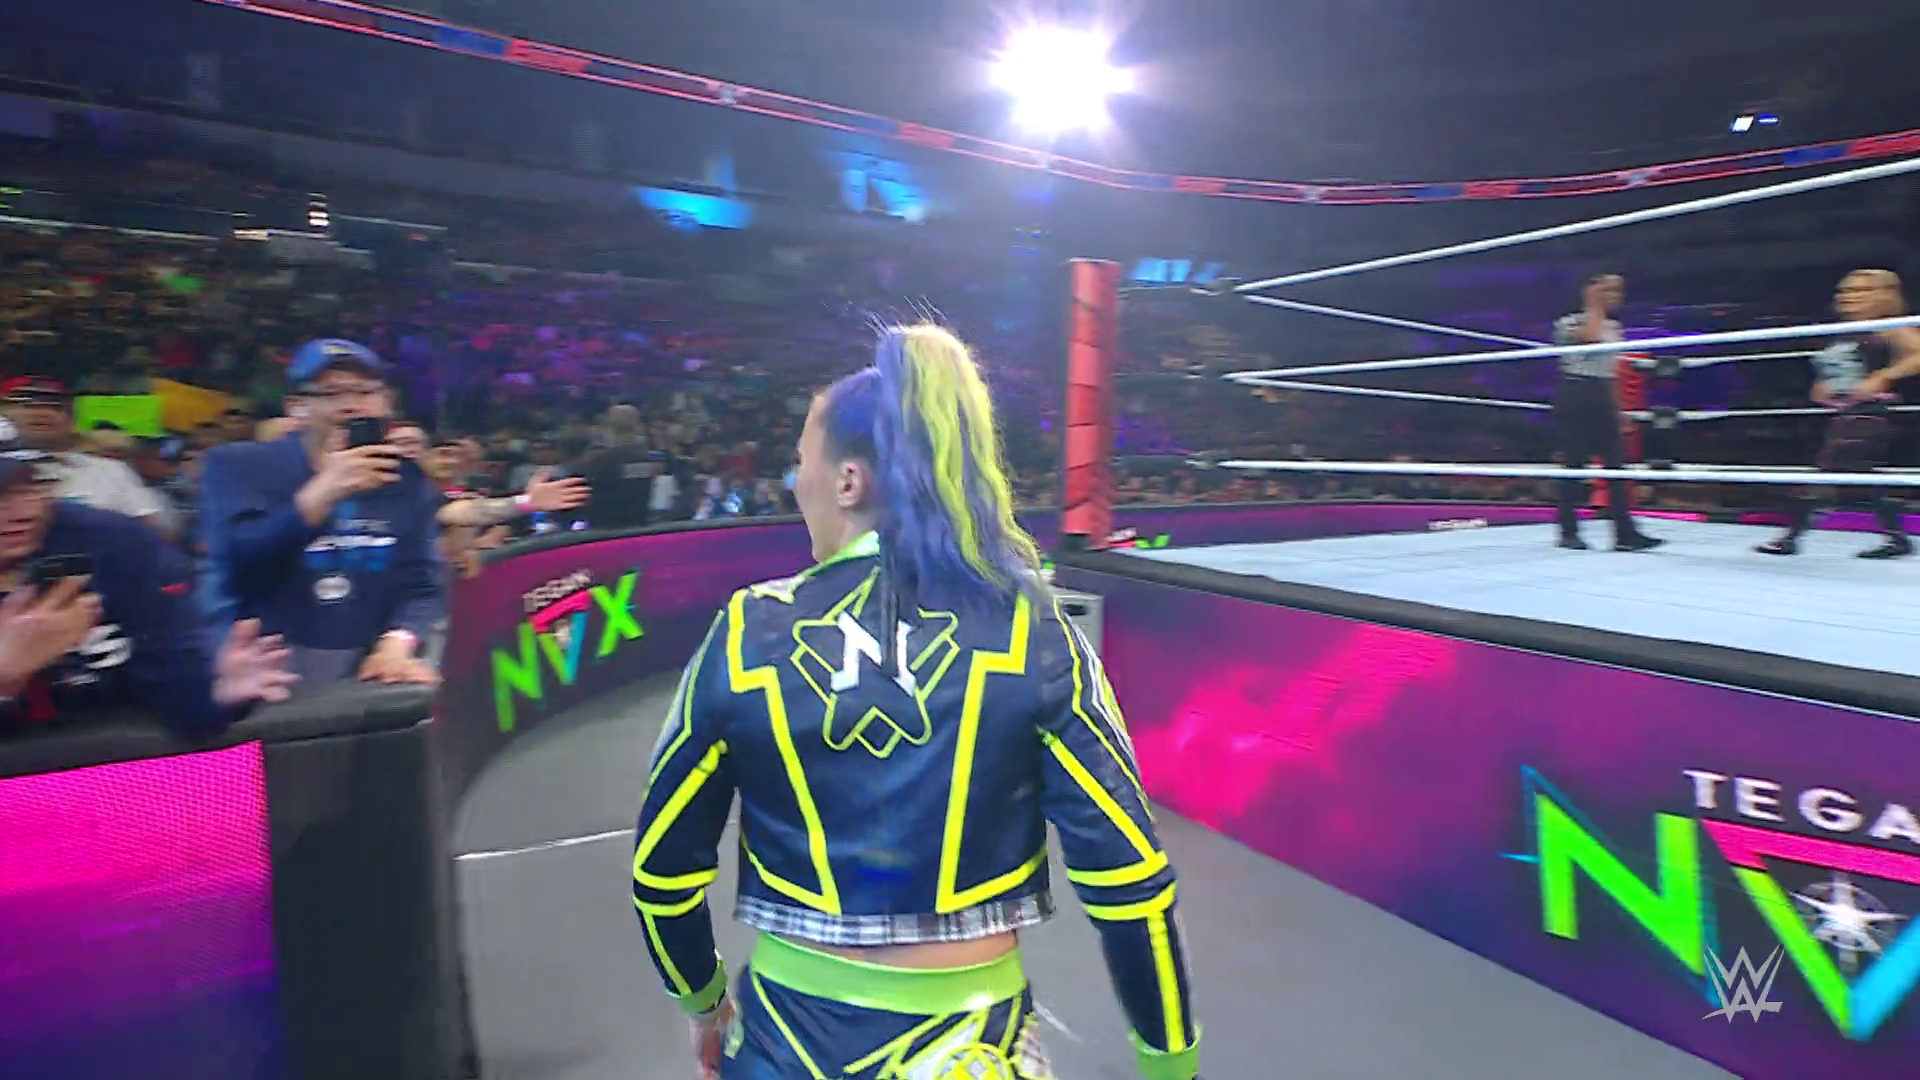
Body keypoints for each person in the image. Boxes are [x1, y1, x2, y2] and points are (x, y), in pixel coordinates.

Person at [631, 325, 1200, 1080]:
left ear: (848, 482)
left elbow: (662, 875)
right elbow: (1128, 883)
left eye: (800, 461)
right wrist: (1169, 1063)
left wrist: (703, 1003)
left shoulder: (746, 631)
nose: (793, 483)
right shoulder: (1030, 627)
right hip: (970, 1048)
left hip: (783, 1047)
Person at [0, 417, 296, 735]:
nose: (23, 512)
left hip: (106, 755)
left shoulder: (111, 542)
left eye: (29, 487)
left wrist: (215, 691)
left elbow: (176, 684)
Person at [198, 339, 443, 687]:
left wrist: (397, 644)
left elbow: (423, 584)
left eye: (365, 392)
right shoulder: (240, 465)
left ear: (386, 403)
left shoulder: (405, 478)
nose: (351, 405)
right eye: (331, 393)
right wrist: (323, 492)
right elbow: (236, 563)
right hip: (263, 668)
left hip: (365, 670)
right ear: (296, 407)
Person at [1756, 269, 1919, 559]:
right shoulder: (1846, 332)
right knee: (1863, 478)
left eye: (1861, 290)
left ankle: (1790, 537)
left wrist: (1883, 376)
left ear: (1884, 295)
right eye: (1845, 290)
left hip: (1872, 414)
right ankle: (1897, 538)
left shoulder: (1890, 327)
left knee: (1827, 472)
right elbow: (1842, 369)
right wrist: (1824, 385)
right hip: (1846, 413)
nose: (1849, 296)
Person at [1550, 275, 1663, 552]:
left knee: (1616, 467)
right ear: (1591, 290)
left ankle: (1625, 535)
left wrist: (1618, 408)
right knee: (1574, 466)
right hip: (1577, 394)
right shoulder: (1568, 322)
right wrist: (1593, 304)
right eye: (1609, 289)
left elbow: (1611, 372)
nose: (1617, 295)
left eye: (1619, 290)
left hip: (1603, 395)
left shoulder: (1613, 326)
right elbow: (1590, 338)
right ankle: (1568, 532)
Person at [1, 377, 174, 539]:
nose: (43, 413)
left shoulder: (109, 470)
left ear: (71, 420)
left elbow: (155, 533)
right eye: (28, 405)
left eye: (56, 408)